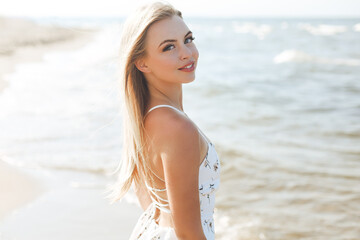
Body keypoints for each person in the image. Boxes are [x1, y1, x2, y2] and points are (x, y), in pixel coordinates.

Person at [106, 1, 221, 239]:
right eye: (169, 47)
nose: (187, 53)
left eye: (188, 39)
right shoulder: (176, 127)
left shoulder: (148, 115)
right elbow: (189, 235)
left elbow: (145, 191)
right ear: (142, 62)